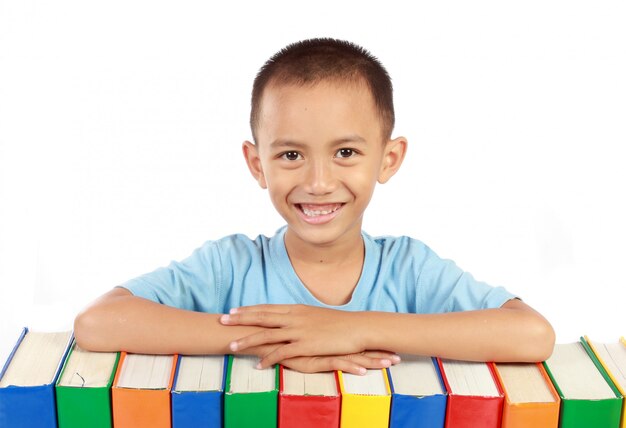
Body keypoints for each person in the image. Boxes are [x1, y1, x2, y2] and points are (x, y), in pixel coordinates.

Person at [74, 38, 555, 375]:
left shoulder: (408, 269)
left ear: (389, 159)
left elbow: (531, 335)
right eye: (290, 155)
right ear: (256, 163)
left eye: (345, 153)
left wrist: (349, 330)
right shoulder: (231, 265)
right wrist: (281, 339)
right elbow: (97, 322)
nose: (319, 182)